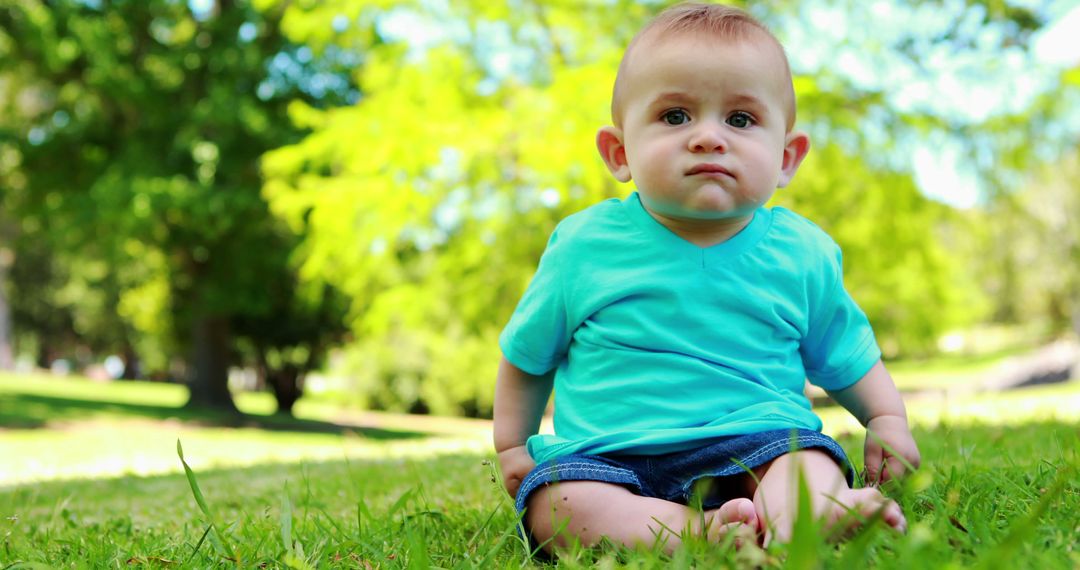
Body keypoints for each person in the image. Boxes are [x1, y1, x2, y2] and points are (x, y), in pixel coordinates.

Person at [493, 1, 921, 555]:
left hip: (763, 439)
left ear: (787, 158)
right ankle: (700, 534)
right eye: (675, 116)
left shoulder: (801, 252)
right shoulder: (584, 247)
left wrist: (886, 417)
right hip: (609, 456)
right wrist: (511, 446)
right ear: (619, 151)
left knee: (804, 462)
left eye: (740, 120)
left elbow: (847, 353)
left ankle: (808, 518)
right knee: (556, 507)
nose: (707, 138)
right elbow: (529, 354)